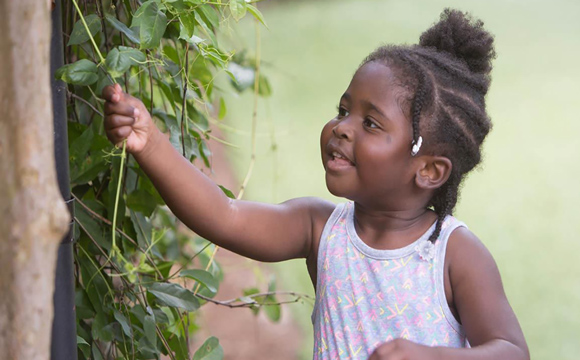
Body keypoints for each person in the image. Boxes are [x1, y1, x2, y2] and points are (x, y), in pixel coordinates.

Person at [102, 8, 529, 360]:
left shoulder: (453, 254)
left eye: (371, 123)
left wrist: (430, 356)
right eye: (342, 110)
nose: (342, 128)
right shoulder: (321, 229)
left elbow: (511, 351)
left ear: (430, 170)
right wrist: (150, 143)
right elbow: (223, 216)